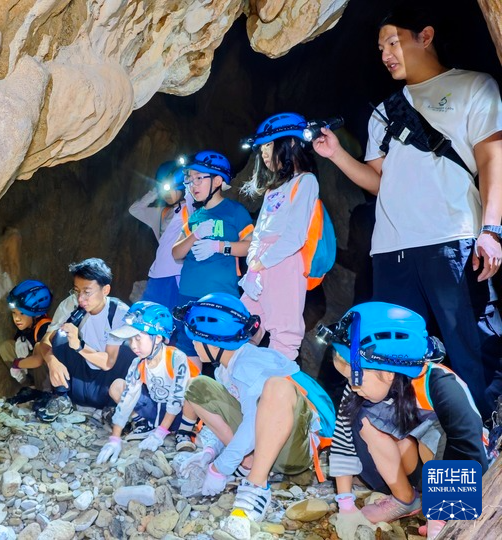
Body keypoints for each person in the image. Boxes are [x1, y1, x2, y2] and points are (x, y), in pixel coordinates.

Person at [312, 6, 502, 419]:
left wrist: (491, 229)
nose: (385, 54)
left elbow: (492, 160)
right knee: (394, 355)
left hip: (452, 240)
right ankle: (406, 441)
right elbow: (379, 181)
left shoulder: (474, 87)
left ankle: (484, 431)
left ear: (425, 36)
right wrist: (336, 154)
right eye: (380, 47)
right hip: (392, 250)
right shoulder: (385, 110)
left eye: (393, 42)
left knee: (469, 346)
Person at [320, 302, 488, 539]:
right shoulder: (359, 387)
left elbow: (468, 447)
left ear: (388, 373)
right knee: (364, 421)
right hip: (417, 469)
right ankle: (405, 499)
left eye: (355, 379)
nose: (352, 387)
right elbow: (343, 442)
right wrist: (345, 504)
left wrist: (443, 513)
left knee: (434, 434)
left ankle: (440, 514)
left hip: (460, 466)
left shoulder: (442, 386)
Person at [174, 293, 321, 524]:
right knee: (198, 387)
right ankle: (248, 461)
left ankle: (256, 486)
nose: (193, 343)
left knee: (276, 387)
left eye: (196, 338)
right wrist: (210, 451)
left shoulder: (249, 365)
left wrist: (220, 468)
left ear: (213, 342)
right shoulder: (226, 368)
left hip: (294, 451)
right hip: (267, 443)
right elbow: (233, 415)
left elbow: (254, 423)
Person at [238, 112, 321, 360]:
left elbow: (295, 236)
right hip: (260, 263)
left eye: (269, 145)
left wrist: (259, 264)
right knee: (242, 324)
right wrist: (252, 265)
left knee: (284, 333)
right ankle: (238, 378)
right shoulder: (273, 189)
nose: (264, 153)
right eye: (261, 148)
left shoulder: (306, 181)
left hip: (285, 261)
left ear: (291, 142)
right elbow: (258, 232)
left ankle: (277, 381)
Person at [171, 151, 254, 364]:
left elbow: (251, 246)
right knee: (188, 349)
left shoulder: (235, 211)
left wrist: (219, 246)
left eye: (199, 178)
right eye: (191, 179)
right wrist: (195, 235)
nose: (193, 185)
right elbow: (176, 253)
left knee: (223, 352)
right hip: (188, 294)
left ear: (217, 181)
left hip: (221, 295)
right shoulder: (195, 217)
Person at [95, 301, 200, 464]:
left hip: (180, 412)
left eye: (138, 339)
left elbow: (176, 399)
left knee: (194, 386)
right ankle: (143, 424)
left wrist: (160, 433)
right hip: (156, 408)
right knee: (117, 386)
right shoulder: (138, 362)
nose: (133, 346)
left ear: (158, 337)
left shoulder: (176, 358)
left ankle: (184, 432)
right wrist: (114, 439)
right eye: (130, 339)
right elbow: (127, 398)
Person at [35, 258, 136, 422]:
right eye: (77, 291)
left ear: (105, 290)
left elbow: (108, 363)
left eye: (87, 292)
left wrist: (79, 345)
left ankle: (112, 408)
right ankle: (62, 399)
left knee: (129, 348)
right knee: (60, 336)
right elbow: (45, 340)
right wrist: (52, 361)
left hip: (107, 384)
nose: (81, 298)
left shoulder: (119, 312)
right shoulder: (71, 304)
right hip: (77, 381)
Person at [129, 161, 192, 311]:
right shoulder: (161, 213)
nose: (167, 193)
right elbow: (135, 209)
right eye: (165, 189)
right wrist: (156, 191)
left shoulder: (191, 210)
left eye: (172, 188)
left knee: (174, 317)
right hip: (157, 274)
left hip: (178, 275)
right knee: (149, 317)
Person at [0, 279, 52, 391]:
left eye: (22, 313)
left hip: (48, 376)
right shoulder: (26, 325)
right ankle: (29, 387)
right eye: (14, 313)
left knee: (41, 352)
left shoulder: (45, 327)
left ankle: (44, 393)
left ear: (36, 314)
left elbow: (38, 360)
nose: (17, 318)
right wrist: (21, 339)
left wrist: (16, 364)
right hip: (32, 370)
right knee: (6, 347)